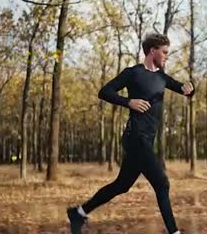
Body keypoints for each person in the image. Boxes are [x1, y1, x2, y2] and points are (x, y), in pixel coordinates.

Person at [67, 33, 194, 234]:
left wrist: (189, 89)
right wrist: (128, 102)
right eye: (165, 52)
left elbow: (182, 88)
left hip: (146, 140)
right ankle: (174, 232)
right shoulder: (132, 73)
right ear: (152, 51)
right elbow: (105, 91)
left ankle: (79, 212)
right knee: (162, 183)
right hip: (135, 138)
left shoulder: (162, 77)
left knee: (121, 185)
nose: (167, 57)